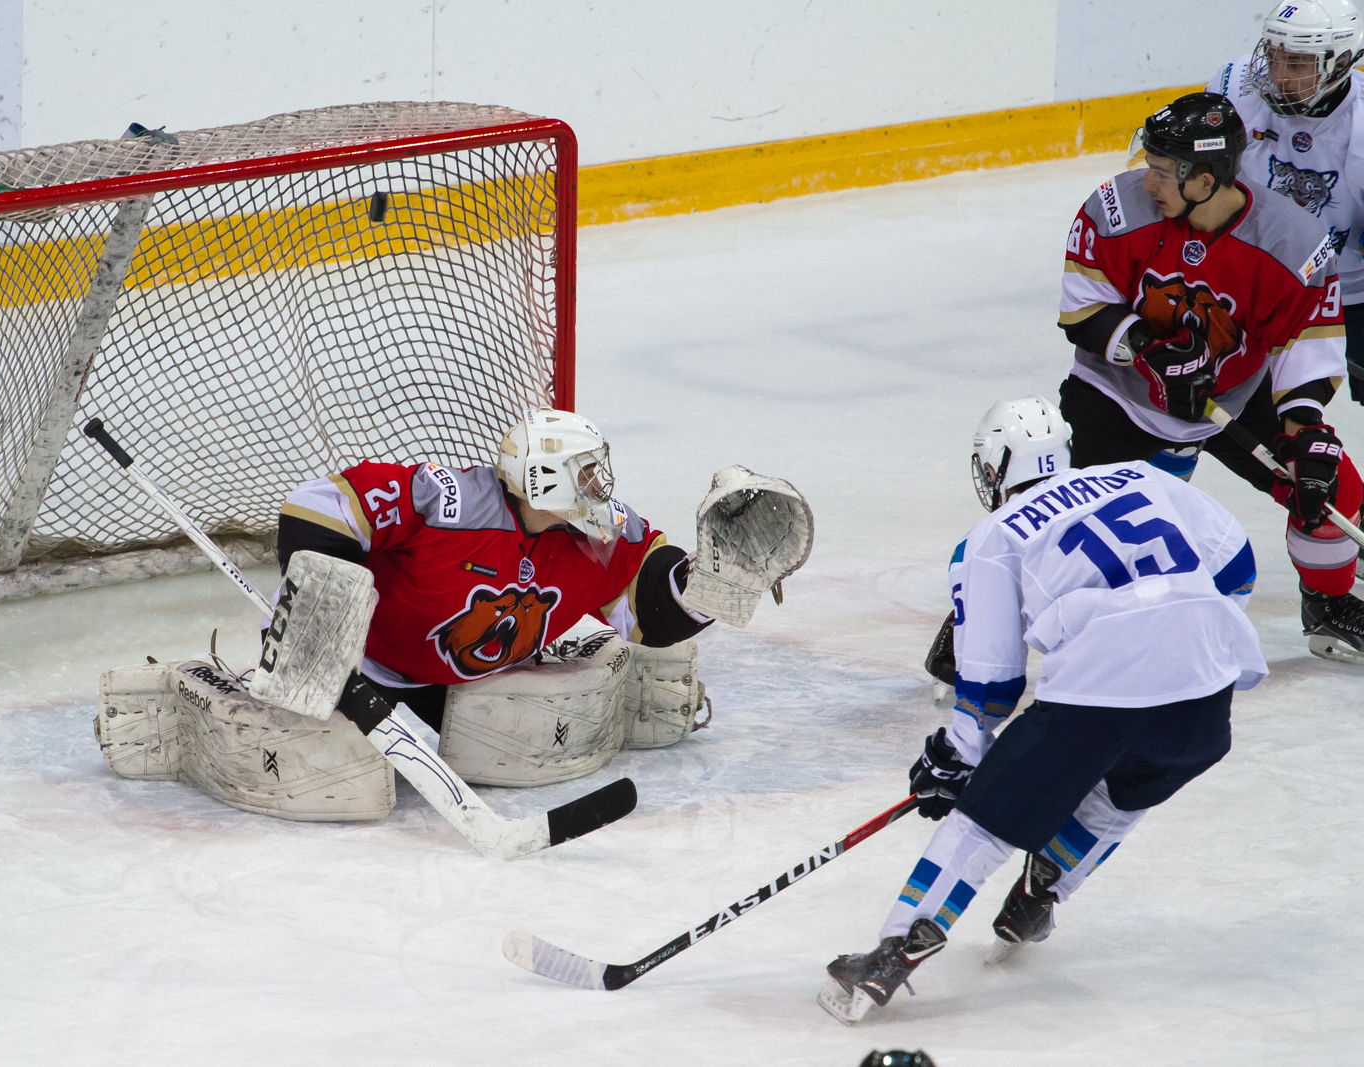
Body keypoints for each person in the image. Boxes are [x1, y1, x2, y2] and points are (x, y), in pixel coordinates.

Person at [819, 397, 1268, 1024]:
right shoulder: (1147, 476)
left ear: (1000, 464)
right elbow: (1239, 566)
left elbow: (992, 686)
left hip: (1101, 688)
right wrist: (1186, 637)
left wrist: (954, 761)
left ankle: (893, 953)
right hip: (1204, 690)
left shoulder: (993, 536)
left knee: (983, 824)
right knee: (1118, 799)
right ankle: (1041, 894)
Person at [273, 407, 812, 734]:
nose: (600, 485)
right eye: (585, 472)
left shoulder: (601, 539)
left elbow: (650, 611)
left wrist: (709, 588)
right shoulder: (449, 504)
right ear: (544, 480)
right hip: (360, 670)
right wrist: (322, 635)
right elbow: (315, 510)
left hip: (463, 692)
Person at [1056, 90, 1364, 660]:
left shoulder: (1292, 243)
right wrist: (1148, 351)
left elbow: (1310, 342)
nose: (1148, 182)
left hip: (1231, 393)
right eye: (1149, 164)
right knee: (1068, 523)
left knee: (1329, 482)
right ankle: (978, 615)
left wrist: (1305, 427)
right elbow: (1083, 303)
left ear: (1208, 177)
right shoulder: (1117, 208)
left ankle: (1328, 605)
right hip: (1117, 396)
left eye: (1163, 172)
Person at [1212, 0, 1364, 405]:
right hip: (1256, 289)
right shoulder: (1236, 85)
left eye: (1296, 64)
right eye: (1274, 57)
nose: (1277, 76)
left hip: (1349, 297)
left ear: (1342, 60)